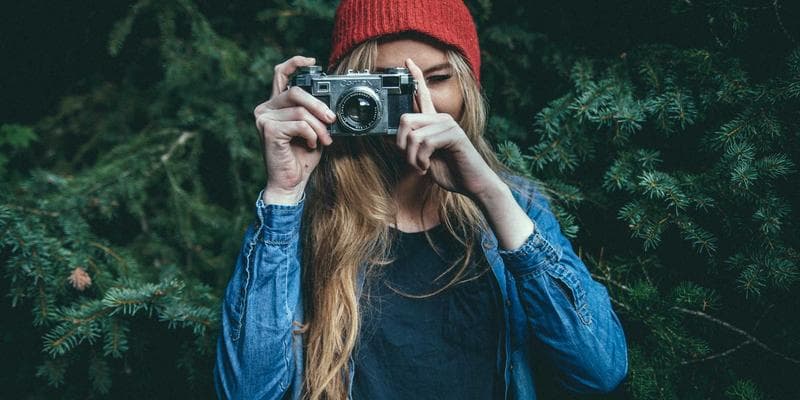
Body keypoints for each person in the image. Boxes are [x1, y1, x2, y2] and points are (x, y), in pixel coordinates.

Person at [214, 0, 629, 399]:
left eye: (436, 79)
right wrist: (283, 196)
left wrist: (490, 195)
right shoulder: (301, 216)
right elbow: (247, 392)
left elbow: (599, 370)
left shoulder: (515, 205)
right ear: (336, 92)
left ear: (467, 85)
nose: (416, 103)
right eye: (383, 84)